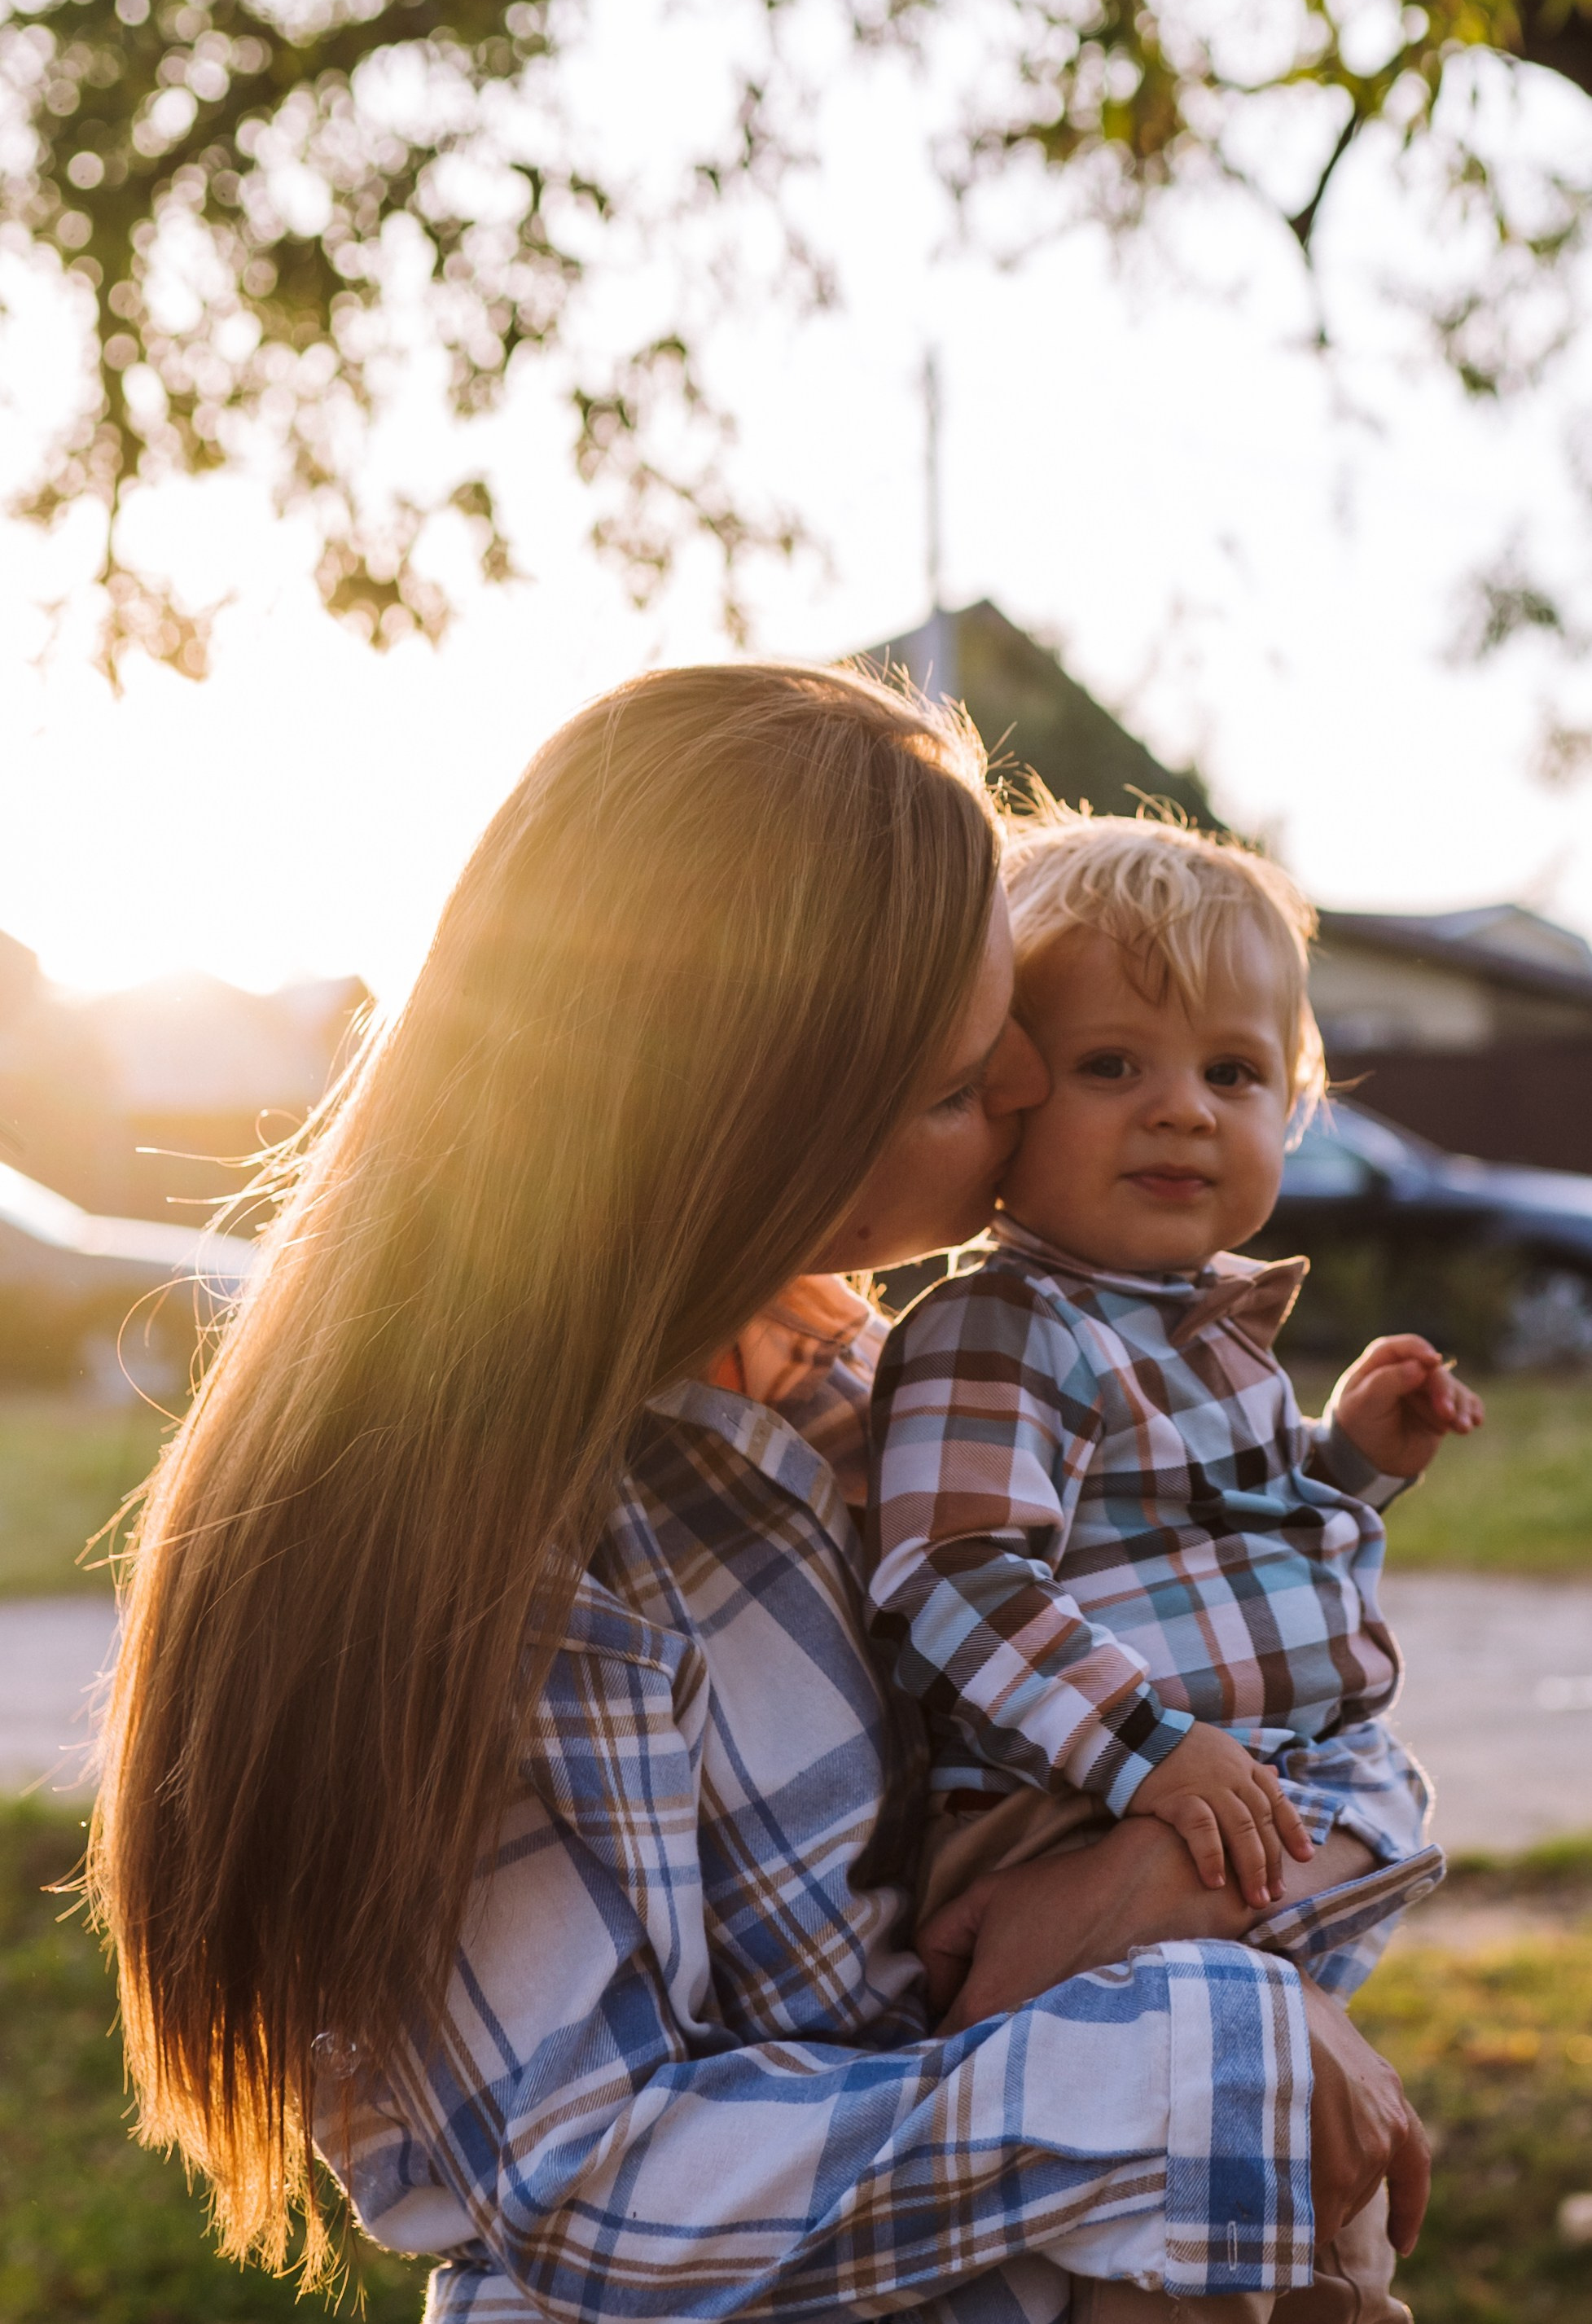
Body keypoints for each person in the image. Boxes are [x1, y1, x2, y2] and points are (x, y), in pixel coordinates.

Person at [89, 667, 1429, 2322]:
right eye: (957, 1082)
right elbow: (597, 2179)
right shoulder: (499, 1562)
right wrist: (1194, 2067)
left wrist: (1156, 1890)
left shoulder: (875, 1392)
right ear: (747, 1129)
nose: (1029, 1088)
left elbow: (1339, 1749)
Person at [867, 805, 1481, 2322]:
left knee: (1291, 2224)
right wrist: (1149, 1751)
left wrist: (1349, 1460)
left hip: (1213, 1790)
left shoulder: (1204, 1331)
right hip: (1070, 1810)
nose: (1181, 1112)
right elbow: (953, 1573)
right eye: (1110, 1067)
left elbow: (1202, 1552)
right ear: (1007, 1097)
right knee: (1174, 2226)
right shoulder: (1008, 1326)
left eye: (1232, 1073)